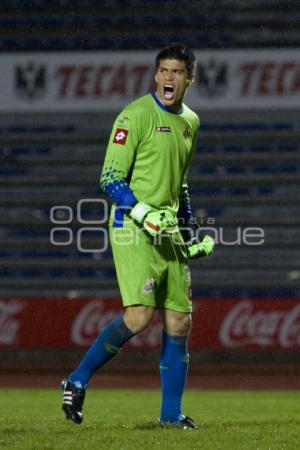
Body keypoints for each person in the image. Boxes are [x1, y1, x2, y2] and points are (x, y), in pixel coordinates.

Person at [61, 43, 214, 429]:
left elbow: (180, 182)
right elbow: (110, 177)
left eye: (177, 72)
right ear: (155, 75)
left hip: (167, 229)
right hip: (132, 227)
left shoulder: (190, 122)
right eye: (163, 70)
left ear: (189, 79)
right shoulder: (134, 115)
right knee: (140, 316)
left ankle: (170, 415)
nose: (168, 78)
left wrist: (188, 221)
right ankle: (77, 379)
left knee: (179, 322)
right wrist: (143, 212)